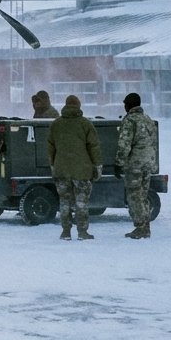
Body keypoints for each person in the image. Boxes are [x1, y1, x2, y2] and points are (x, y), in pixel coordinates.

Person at [47, 94, 101, 240]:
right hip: (81, 170)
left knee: (64, 201)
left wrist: (53, 164)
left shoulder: (56, 124)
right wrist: (97, 165)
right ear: (78, 106)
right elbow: (94, 147)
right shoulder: (85, 124)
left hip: (61, 169)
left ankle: (65, 232)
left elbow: (50, 147)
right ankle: (82, 232)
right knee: (81, 202)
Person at [115, 92, 158, 239]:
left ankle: (141, 228)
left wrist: (119, 163)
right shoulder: (148, 120)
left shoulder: (130, 120)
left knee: (134, 196)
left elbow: (124, 145)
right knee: (143, 195)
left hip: (135, 165)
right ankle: (145, 226)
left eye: (125, 104)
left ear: (129, 105)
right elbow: (153, 141)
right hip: (148, 163)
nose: (124, 106)